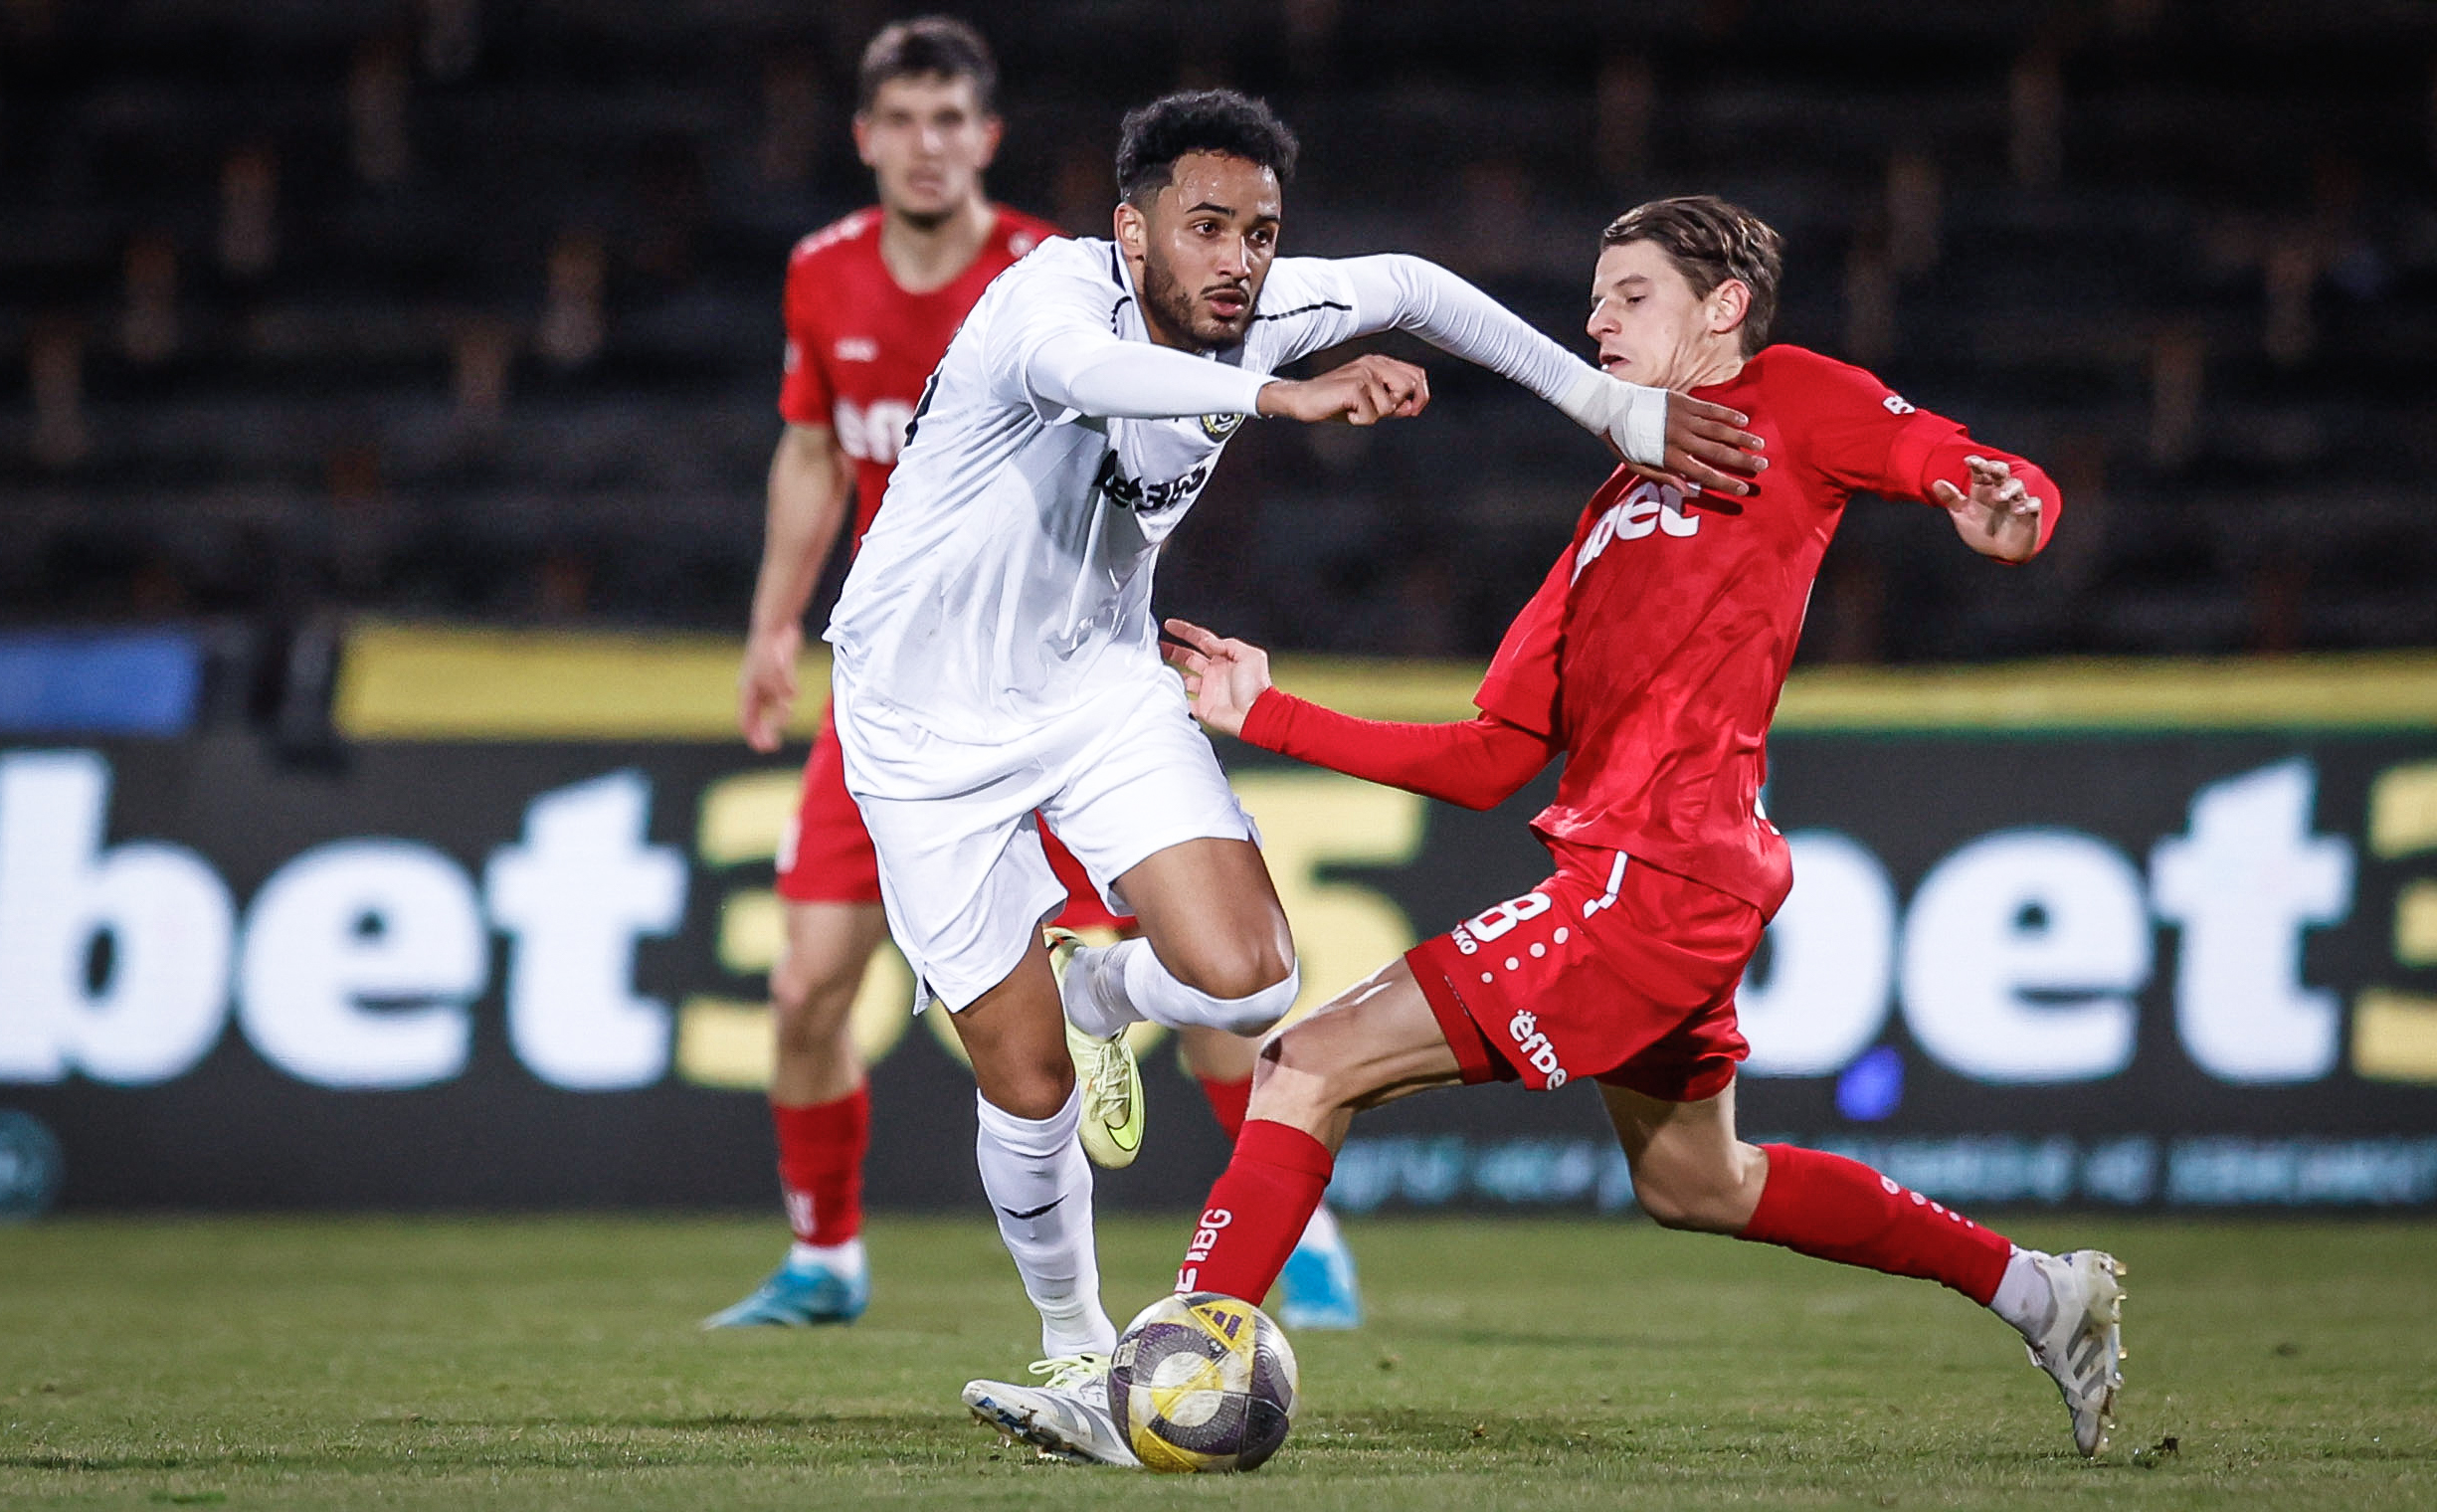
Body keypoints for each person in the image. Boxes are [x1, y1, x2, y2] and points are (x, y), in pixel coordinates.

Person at [990, 194, 2127, 1466]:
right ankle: (2040, 1290)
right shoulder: (1607, 515)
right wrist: (1268, 713)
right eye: (1592, 300)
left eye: (1629, 295)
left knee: (1303, 1061)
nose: (1594, 322)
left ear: (1723, 307)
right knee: (1697, 1181)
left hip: (1653, 876)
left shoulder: (1790, 398)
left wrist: (2011, 504)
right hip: (1667, 880)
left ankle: (1160, 1381)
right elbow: (1489, 758)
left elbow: (1955, 465)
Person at [823, 86, 1762, 1451]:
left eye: (1260, 233)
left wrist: (1604, 403)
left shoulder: (1262, 307)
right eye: (1205, 227)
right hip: (920, 717)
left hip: (1098, 679)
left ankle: (1099, 986)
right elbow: (1095, 379)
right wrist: (1282, 395)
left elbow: (1415, 287)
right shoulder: (1046, 303)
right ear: (1130, 231)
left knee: (1251, 979)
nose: (1238, 260)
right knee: (1024, 1086)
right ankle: (1077, 1346)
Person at [710, 22, 1366, 1330]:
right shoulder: (822, 274)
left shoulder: (1061, 273)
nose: (927, 144)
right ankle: (825, 1258)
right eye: (904, 120)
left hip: (1052, 678)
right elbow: (812, 452)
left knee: (1204, 965)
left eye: (951, 119)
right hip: (900, 688)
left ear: (986, 138)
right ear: (866, 139)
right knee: (808, 982)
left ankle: (1298, 1232)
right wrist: (774, 621)